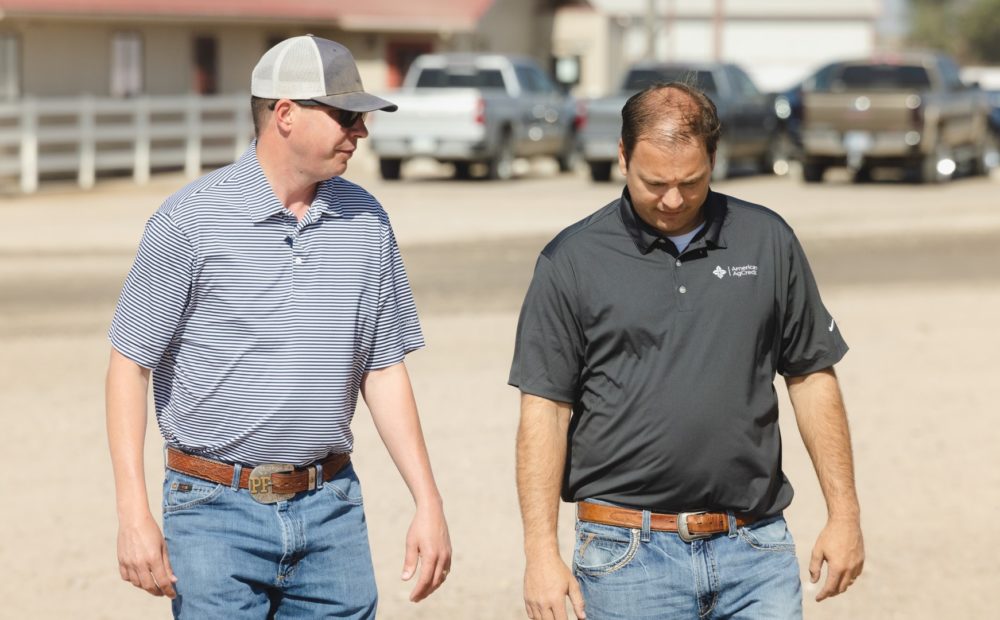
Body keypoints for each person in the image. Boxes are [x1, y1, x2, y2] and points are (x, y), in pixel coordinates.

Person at [106, 35, 451, 618]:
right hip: (213, 512)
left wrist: (429, 501)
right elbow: (128, 365)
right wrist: (133, 514)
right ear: (285, 114)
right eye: (346, 116)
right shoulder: (188, 220)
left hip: (331, 511)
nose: (360, 132)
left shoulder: (367, 220)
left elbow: (384, 367)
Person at [509, 82, 864, 619]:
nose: (673, 200)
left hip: (756, 551)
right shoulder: (571, 261)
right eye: (655, 183)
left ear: (714, 159)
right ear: (623, 156)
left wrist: (845, 515)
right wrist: (540, 553)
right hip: (625, 557)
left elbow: (811, 376)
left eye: (691, 182)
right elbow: (545, 409)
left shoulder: (768, 241)